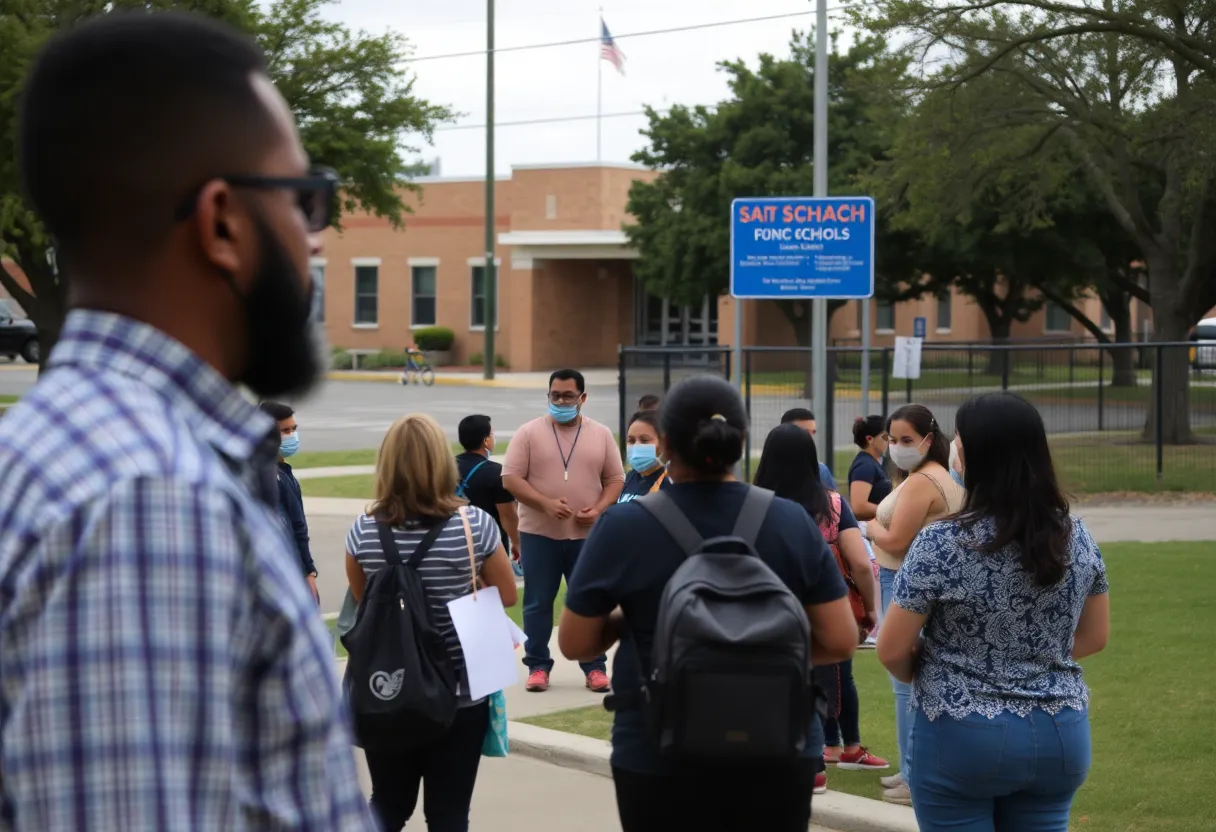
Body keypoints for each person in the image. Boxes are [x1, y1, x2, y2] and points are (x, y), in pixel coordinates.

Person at [0, 12, 371, 828]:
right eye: (304, 200)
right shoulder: (151, 503)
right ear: (223, 223)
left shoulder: (54, 449)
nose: (315, 244)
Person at [558, 375, 859, 832]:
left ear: (666, 445)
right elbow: (839, 640)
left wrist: (638, 617)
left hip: (657, 748)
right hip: (774, 743)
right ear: (741, 440)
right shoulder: (789, 520)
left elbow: (577, 643)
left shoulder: (623, 526)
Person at [878, 392, 1110, 830]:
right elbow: (1095, 637)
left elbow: (892, 649)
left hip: (961, 734)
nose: (955, 450)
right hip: (1060, 732)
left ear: (979, 454)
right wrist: (1027, 665)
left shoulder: (941, 543)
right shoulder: (1077, 536)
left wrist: (949, 678)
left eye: (960, 440)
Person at [345, 413, 518, 831]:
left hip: (387, 688)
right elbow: (508, 594)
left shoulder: (363, 530)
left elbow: (361, 598)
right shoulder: (472, 524)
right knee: (448, 813)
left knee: (387, 801)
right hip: (458, 693)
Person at [754, 425, 886, 797]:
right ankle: (815, 764)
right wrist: (869, 609)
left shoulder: (752, 503)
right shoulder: (831, 503)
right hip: (821, 608)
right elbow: (859, 562)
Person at [863, 403, 965, 806]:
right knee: (909, 683)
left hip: (905, 580)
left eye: (907, 440)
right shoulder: (930, 476)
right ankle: (911, 769)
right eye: (892, 439)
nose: (897, 447)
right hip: (911, 581)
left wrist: (870, 526)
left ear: (927, 439)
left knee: (905, 682)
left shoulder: (925, 480)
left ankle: (915, 775)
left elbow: (896, 540)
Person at [502, 369, 625, 693]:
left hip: (587, 536)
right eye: (554, 395)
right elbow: (511, 478)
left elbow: (615, 479)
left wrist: (598, 509)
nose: (560, 401)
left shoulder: (600, 434)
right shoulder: (528, 433)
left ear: (582, 398)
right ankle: (538, 667)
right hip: (539, 534)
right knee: (538, 602)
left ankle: (595, 667)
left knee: (589, 601)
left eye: (567, 396)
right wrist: (544, 503)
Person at [261, 400, 320, 602]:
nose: (292, 435)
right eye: (285, 430)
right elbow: (295, 528)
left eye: (293, 429)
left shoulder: (283, 472)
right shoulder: (269, 477)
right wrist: (307, 572)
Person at [456, 414, 522, 564]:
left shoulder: (446, 467)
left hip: (453, 542)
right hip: (489, 546)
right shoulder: (496, 472)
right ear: (486, 441)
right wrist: (517, 543)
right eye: (492, 435)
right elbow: (508, 516)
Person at [617, 410, 673, 502]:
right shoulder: (629, 478)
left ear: (663, 443)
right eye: (631, 441)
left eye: (645, 440)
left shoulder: (669, 482)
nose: (636, 446)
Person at [847, 415, 892, 522]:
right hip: (868, 530)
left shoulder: (877, 462)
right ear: (869, 439)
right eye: (885, 437)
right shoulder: (864, 466)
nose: (890, 441)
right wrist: (891, 511)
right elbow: (859, 507)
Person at [780, 407, 838, 490]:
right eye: (805, 432)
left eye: (812, 433)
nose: (810, 439)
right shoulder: (771, 472)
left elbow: (835, 501)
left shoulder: (821, 471)